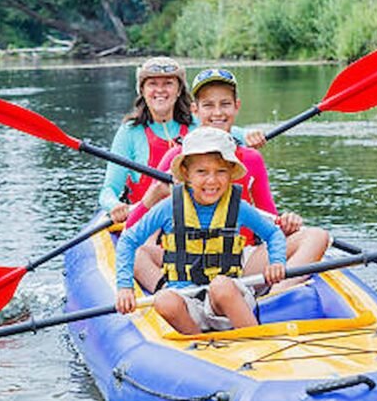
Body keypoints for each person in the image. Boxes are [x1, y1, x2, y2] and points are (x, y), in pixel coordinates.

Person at [125, 67, 330, 293]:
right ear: (195, 110)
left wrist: (286, 222)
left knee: (317, 236)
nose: (217, 113)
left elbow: (270, 220)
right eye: (208, 105)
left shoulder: (251, 159)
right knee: (135, 252)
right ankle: (172, 295)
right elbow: (130, 232)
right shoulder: (177, 158)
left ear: (236, 107)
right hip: (184, 260)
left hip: (240, 263)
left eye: (225, 104)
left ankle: (277, 295)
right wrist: (152, 196)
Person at [115, 127, 287, 334]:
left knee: (220, 286)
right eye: (202, 172)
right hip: (186, 300)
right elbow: (128, 241)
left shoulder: (238, 206)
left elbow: (274, 233)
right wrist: (124, 288)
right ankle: (201, 347)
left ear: (231, 173)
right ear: (186, 173)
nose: (212, 180)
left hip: (228, 298)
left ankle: (258, 341)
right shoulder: (169, 207)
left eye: (221, 171)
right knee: (163, 300)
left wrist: (277, 262)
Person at [99, 58, 266, 225]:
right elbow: (109, 190)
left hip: (191, 221)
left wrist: (249, 135)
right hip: (146, 218)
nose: (160, 90)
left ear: (179, 89)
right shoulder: (130, 132)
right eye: (153, 84)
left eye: (168, 83)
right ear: (142, 90)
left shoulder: (198, 123)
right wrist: (116, 206)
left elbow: (228, 131)